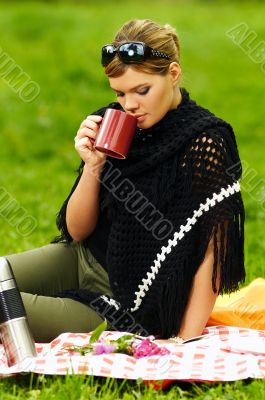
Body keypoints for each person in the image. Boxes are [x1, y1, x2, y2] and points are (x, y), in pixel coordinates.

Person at [4, 19, 245, 343]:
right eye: (120, 93)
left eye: (142, 90)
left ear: (173, 74)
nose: (129, 105)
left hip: (126, 305)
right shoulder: (114, 122)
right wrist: (93, 166)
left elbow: (214, 252)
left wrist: (184, 341)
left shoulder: (204, 143)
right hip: (80, 260)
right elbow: (76, 232)